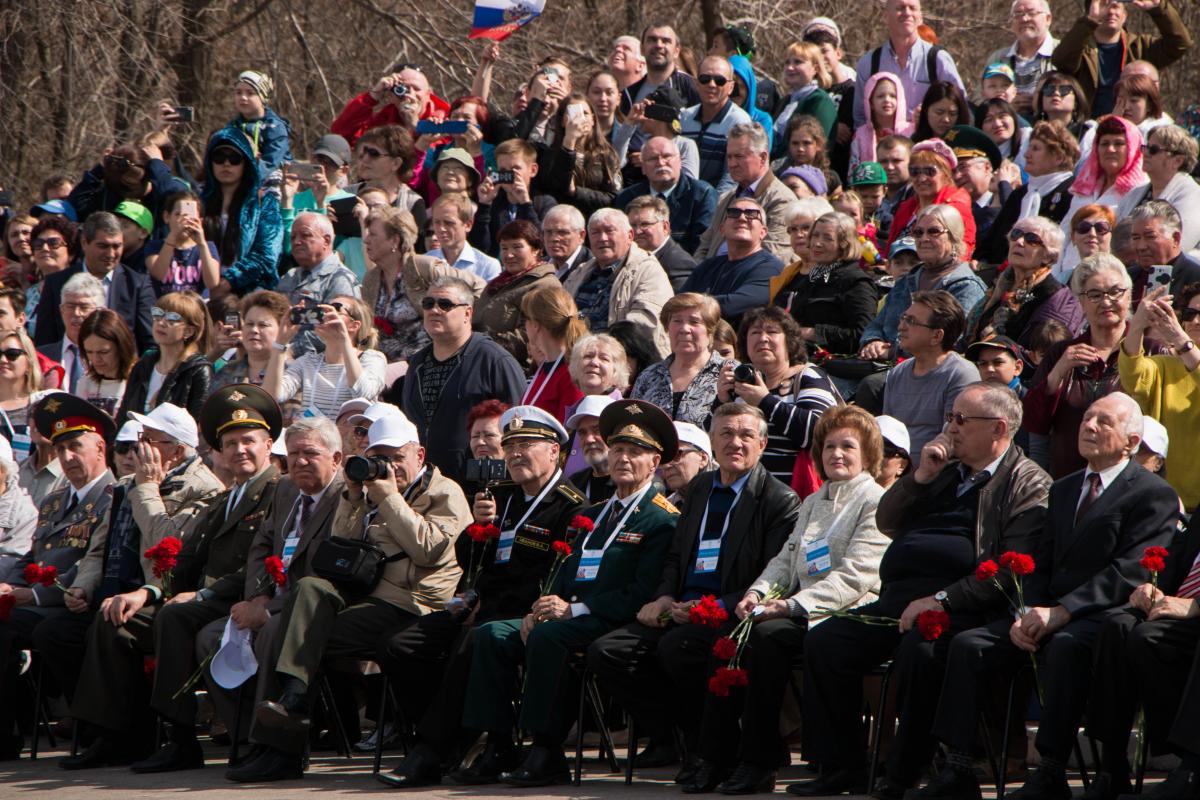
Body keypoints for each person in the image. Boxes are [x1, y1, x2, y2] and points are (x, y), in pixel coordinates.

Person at [915, 392, 1179, 800]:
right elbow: (1039, 561)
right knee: (969, 645)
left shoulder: (1151, 493)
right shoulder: (1064, 488)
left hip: (1099, 616)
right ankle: (959, 767)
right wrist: (1025, 611)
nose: (1088, 427)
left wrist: (1064, 611)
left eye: (1103, 422)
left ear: (1130, 442)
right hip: (1044, 610)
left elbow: (1132, 570)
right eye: (1087, 418)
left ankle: (1052, 770)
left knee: (1066, 649)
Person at [794, 383, 1050, 798]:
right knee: (827, 641)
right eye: (950, 417)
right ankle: (843, 765)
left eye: (961, 420)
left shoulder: (1026, 482)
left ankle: (903, 774)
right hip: (898, 597)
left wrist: (942, 599)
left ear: (998, 429)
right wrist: (921, 476)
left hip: (963, 603)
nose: (951, 428)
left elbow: (1008, 571)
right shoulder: (946, 470)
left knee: (922, 651)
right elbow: (888, 521)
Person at [234, 411, 471, 782]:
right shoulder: (371, 489)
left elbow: (429, 550)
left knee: (297, 635)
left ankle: (283, 746)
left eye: (397, 457)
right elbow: (339, 543)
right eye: (381, 457)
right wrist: (353, 495)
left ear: (419, 456)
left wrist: (390, 498)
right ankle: (289, 714)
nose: (389, 466)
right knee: (308, 592)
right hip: (366, 598)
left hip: (415, 603)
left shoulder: (444, 492)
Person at [456, 400, 680, 787]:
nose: (623, 458)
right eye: (618, 449)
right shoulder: (593, 514)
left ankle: (546, 749)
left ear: (655, 462)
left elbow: (641, 592)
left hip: (611, 618)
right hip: (569, 614)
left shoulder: (660, 519)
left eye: (635, 452)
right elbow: (565, 568)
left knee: (550, 636)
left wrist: (571, 611)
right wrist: (541, 606)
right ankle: (498, 743)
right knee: (491, 635)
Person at [589, 402, 802, 788]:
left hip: (734, 608)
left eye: (745, 435)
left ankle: (713, 752)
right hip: (683, 606)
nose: (735, 443)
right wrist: (665, 596)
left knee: (682, 647)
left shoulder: (778, 499)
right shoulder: (700, 487)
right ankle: (689, 739)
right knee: (610, 651)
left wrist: (714, 606)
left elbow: (775, 575)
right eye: (726, 434)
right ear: (713, 443)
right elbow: (676, 553)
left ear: (763, 443)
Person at [374, 406, 586, 788]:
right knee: (399, 645)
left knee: (474, 642)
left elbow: (558, 578)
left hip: (524, 614)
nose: (516, 453)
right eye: (510, 445)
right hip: (479, 606)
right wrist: (479, 528)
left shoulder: (571, 505)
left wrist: (490, 605)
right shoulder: (501, 497)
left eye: (526, 444)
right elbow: (470, 563)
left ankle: (436, 749)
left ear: (554, 451)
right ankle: (456, 737)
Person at [687, 405, 887, 793]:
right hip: (801, 610)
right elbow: (784, 560)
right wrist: (755, 593)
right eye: (829, 446)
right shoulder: (814, 500)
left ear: (868, 454)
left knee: (770, 638)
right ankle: (732, 758)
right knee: (735, 637)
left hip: (849, 611)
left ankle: (784, 762)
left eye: (848, 446)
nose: (836, 454)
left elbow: (858, 574)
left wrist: (792, 605)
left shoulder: (873, 501)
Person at [34, 401, 224, 769]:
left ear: (177, 450)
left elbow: (168, 550)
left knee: (112, 625)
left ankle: (121, 734)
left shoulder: (203, 488)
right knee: (53, 631)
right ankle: (105, 726)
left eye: (150, 441)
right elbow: (98, 548)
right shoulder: (126, 485)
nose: (139, 449)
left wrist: (148, 490)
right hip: (118, 591)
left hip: (166, 592)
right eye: (140, 439)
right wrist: (84, 586)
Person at [191, 416, 346, 760]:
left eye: (310, 453)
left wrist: (270, 610)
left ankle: (275, 744)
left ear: (336, 459)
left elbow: (330, 575)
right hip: (271, 597)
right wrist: (258, 596)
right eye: (293, 454)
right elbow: (262, 545)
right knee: (209, 638)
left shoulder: (347, 496)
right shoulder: (287, 488)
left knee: (273, 632)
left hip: (313, 607)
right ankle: (247, 736)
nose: (300, 461)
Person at [0, 396, 116, 760]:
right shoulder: (54, 500)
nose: (67, 457)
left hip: (75, 601)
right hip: (37, 600)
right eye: (61, 448)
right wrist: (13, 586)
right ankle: (8, 732)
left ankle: (92, 725)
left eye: (75, 447)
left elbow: (93, 561)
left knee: (42, 632)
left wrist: (31, 596)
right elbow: (32, 555)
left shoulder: (115, 496)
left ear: (100, 447)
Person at [1083, 512, 1200, 799]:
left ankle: (1191, 768)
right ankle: (1112, 766)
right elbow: (1178, 557)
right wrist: (1152, 586)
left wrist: (1197, 605)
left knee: (1146, 637)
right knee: (1119, 626)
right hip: (1182, 612)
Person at [398, 277, 526, 481]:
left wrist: (495, 486)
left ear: (468, 313)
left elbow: (517, 427)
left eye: (445, 304)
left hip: (476, 487)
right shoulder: (417, 363)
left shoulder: (494, 360)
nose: (434, 310)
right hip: (425, 486)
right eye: (428, 304)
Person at [1024, 254, 1133, 478]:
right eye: (1094, 295)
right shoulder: (1060, 353)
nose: (1106, 302)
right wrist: (1058, 373)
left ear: (1129, 296)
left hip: (1129, 483)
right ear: (1081, 302)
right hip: (1068, 480)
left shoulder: (1150, 350)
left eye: (1115, 292)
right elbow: (1033, 422)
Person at [717, 305, 841, 487]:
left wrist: (765, 401)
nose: (763, 338)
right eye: (755, 333)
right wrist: (721, 401)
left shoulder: (808, 376)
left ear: (789, 342)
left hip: (796, 494)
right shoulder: (742, 382)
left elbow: (818, 433)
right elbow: (715, 441)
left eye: (772, 332)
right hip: (744, 494)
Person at [859, 204, 988, 362]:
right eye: (918, 233)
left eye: (933, 231)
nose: (924, 239)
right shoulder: (908, 279)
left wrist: (894, 352)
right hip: (881, 362)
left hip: (929, 372)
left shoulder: (966, 286)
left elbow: (952, 344)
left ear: (954, 236)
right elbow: (876, 324)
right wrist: (873, 341)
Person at [363, 205, 484, 365]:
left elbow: (479, 287)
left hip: (425, 362)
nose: (365, 240)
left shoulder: (424, 267)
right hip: (382, 365)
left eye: (373, 234)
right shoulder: (371, 279)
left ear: (394, 240)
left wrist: (459, 328)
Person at [1119, 282, 1200, 510]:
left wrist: (1181, 340)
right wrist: (1136, 325)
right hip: (1163, 500)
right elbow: (1132, 375)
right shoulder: (1164, 365)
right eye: (1191, 313)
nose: (1195, 321)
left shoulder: (1181, 342)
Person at [34, 211, 156, 353]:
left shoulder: (137, 285)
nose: (111, 254)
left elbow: (150, 343)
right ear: (84, 242)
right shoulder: (56, 284)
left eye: (117, 246)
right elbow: (44, 342)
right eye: (103, 246)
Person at [882, 291, 980, 464]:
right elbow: (888, 432)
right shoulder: (898, 372)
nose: (901, 327)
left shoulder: (960, 375)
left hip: (934, 474)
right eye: (903, 318)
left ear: (937, 336)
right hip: (894, 472)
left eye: (911, 321)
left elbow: (952, 440)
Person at [1051, 0, 1192, 117]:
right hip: (1088, 127)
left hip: (1132, 125)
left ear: (1124, 16)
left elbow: (1179, 44)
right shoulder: (1079, 48)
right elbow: (1060, 61)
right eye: (1104, 6)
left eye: (1116, 6)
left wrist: (1159, 8)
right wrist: (1090, 22)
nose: (1111, 12)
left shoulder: (1140, 47)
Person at [562, 208, 672, 356]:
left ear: (630, 236)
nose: (602, 238)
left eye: (609, 231)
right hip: (573, 357)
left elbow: (644, 325)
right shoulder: (579, 273)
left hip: (624, 361)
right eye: (595, 232)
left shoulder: (648, 271)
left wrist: (595, 347)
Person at [970, 217, 1085, 351]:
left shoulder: (1053, 297)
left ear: (1048, 256)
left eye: (1032, 240)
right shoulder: (999, 284)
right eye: (1016, 234)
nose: (1019, 242)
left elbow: (1042, 354)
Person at [772, 211, 878, 353]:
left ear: (844, 244)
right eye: (815, 235)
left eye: (827, 238)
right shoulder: (812, 277)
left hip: (832, 365)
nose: (817, 243)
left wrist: (812, 333)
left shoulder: (857, 282)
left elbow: (862, 334)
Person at [1057, 115, 1148, 279]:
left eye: (1119, 143)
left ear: (1133, 148)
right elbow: (1063, 235)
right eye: (1104, 143)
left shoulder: (1140, 191)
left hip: (1106, 279)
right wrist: (1056, 275)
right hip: (1067, 274)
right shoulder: (1083, 186)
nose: (1110, 149)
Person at [265, 295, 386, 419]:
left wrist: (343, 339)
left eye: (336, 309)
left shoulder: (372, 358)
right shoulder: (308, 361)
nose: (325, 314)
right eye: (324, 309)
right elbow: (273, 395)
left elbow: (363, 394)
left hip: (349, 437)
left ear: (354, 325)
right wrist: (280, 342)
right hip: (310, 435)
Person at [851, 0, 966, 129]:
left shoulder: (937, 59)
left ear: (920, 17)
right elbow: (860, 118)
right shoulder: (870, 63)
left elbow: (962, 108)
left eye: (912, 8)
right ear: (885, 16)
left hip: (928, 145)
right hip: (883, 146)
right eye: (900, 8)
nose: (907, 13)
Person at [196, 128, 284, 297]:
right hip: (199, 291)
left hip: (246, 294)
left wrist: (227, 283)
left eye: (235, 158)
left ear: (247, 163)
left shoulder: (264, 203)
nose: (226, 164)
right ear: (210, 162)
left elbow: (266, 257)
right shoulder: (197, 200)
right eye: (219, 157)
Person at [978, 121, 1079, 264]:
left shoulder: (1072, 193)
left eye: (1035, 149)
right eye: (1028, 147)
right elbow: (991, 242)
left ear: (1058, 157)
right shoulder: (1020, 194)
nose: (1026, 155)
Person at [694, 124, 795, 262]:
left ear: (763, 158)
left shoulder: (782, 201)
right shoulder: (725, 199)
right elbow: (704, 247)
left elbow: (772, 259)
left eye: (739, 156)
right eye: (729, 157)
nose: (732, 164)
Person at [683, 197, 785, 330]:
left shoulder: (771, 267)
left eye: (751, 214)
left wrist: (692, 304)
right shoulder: (707, 266)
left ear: (763, 232)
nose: (742, 218)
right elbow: (679, 302)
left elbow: (735, 305)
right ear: (722, 229)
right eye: (734, 213)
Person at [472, 220, 561, 366]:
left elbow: (532, 337)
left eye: (517, 247)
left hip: (514, 368)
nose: (509, 255)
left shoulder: (545, 286)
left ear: (536, 249)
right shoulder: (498, 283)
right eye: (504, 248)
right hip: (483, 361)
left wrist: (479, 344)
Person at [116, 292, 213, 426]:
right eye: (157, 315)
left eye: (172, 319)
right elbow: (123, 415)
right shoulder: (143, 365)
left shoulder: (197, 370)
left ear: (189, 331)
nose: (161, 323)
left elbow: (197, 423)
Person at [613, 136, 718, 256]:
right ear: (643, 168)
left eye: (667, 156)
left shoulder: (702, 194)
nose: (661, 163)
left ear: (680, 161)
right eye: (653, 158)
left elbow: (702, 247)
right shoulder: (627, 197)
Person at [630, 293, 725, 427]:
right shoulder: (649, 376)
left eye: (694, 322)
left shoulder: (728, 372)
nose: (684, 329)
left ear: (710, 330)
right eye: (677, 321)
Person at [886, 139, 977, 260]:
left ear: (946, 174)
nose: (922, 178)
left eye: (930, 171)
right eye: (915, 172)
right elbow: (889, 251)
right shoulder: (906, 208)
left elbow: (963, 252)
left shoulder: (956, 208)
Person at [1116, 124, 1200, 253]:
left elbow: (1179, 245)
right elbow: (1115, 235)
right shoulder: (1134, 194)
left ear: (1178, 160)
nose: (1145, 153)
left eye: (1153, 150)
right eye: (1145, 147)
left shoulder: (1193, 195)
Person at [469, 138, 558, 257]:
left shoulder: (545, 203)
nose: (509, 175)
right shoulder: (493, 202)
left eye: (515, 169)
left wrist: (525, 204)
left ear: (533, 170)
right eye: (503, 170)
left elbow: (544, 246)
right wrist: (484, 205)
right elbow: (478, 249)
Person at [539, 93, 623, 219]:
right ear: (562, 121)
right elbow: (558, 191)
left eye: (585, 113)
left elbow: (615, 197)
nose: (580, 118)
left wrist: (577, 192)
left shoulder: (606, 155)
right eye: (573, 113)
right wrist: (569, 141)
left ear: (593, 120)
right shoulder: (549, 155)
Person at [680, 56, 753, 193]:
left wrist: (714, 207)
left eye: (719, 80)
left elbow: (732, 176)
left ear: (731, 87)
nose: (711, 84)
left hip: (719, 204)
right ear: (696, 83)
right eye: (705, 79)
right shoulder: (684, 118)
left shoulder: (740, 122)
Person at [331, 65, 448, 147]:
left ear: (429, 95)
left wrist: (416, 127)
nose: (410, 95)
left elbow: (437, 162)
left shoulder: (447, 120)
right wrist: (372, 96)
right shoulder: (384, 121)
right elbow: (340, 135)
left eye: (417, 89)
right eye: (403, 89)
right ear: (391, 96)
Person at [519, 285, 586, 423]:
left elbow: (569, 430)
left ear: (536, 324)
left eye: (525, 318)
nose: (524, 325)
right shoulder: (545, 366)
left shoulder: (571, 374)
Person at [209, 289, 290, 393]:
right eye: (249, 324)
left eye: (263, 325)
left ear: (282, 329)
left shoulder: (291, 374)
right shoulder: (226, 371)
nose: (254, 330)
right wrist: (214, 353)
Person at [986, 0, 1059, 114]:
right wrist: (1005, 105)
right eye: (1018, 14)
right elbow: (978, 98)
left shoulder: (1062, 52)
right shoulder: (998, 58)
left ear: (1048, 19)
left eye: (1031, 13)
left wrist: (1039, 102)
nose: (1024, 19)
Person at [274, 213, 360, 306]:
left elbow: (341, 319)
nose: (296, 242)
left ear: (326, 241)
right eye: (292, 237)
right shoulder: (290, 276)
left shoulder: (341, 279)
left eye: (305, 235)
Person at [146, 191, 221, 297]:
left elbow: (212, 283)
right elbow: (158, 274)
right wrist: (173, 236)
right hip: (164, 308)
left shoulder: (208, 247)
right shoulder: (155, 246)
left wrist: (202, 244)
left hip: (196, 309)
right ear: (167, 217)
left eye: (191, 216)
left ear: (200, 221)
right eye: (178, 215)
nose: (184, 220)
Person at [1125, 200, 1200, 302]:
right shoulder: (1126, 279)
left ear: (1175, 238)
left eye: (1150, 237)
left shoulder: (1196, 278)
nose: (1141, 246)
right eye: (1136, 238)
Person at [626, 196, 698, 291]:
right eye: (633, 225)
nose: (637, 231)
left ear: (665, 227)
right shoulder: (627, 257)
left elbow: (679, 303)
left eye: (645, 224)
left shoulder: (680, 264)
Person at [773, 41, 837, 148]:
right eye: (787, 62)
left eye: (797, 62)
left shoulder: (820, 101)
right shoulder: (785, 101)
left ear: (815, 69)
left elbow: (817, 148)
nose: (790, 67)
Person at [427, 192, 501, 283]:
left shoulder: (487, 266)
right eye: (437, 222)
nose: (441, 228)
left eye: (448, 223)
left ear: (468, 225)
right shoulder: (423, 262)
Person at [78, 308, 136, 418]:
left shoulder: (138, 381)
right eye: (89, 352)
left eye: (103, 352)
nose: (95, 359)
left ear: (121, 347)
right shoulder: (85, 383)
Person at [850, 73, 913, 172]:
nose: (887, 100)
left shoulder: (912, 131)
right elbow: (853, 171)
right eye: (880, 96)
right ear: (870, 103)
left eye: (893, 96)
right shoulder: (860, 135)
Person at [658, 421, 713, 505]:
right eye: (664, 458)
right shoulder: (664, 508)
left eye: (676, 454)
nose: (666, 466)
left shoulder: (727, 502)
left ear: (703, 459)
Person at [541, 205, 591, 282]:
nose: (554, 238)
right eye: (548, 232)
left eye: (562, 232)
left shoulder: (593, 268)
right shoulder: (539, 267)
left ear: (581, 236)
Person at [875, 414, 912, 489]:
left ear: (902, 465)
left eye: (886, 450)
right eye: (868, 446)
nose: (875, 454)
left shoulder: (903, 499)